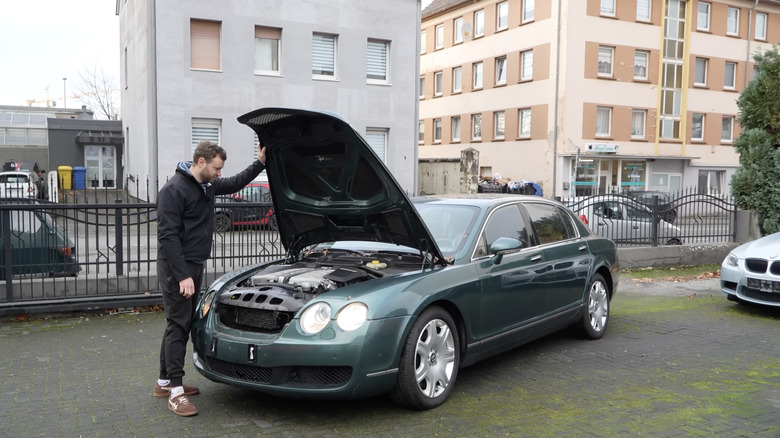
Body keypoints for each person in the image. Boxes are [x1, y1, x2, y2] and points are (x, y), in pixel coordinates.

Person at [154, 139, 267, 417]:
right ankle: (176, 394)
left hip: (192, 264)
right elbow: (167, 236)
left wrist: (260, 163)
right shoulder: (173, 190)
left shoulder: (207, 185)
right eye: (216, 168)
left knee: (177, 322)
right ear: (201, 162)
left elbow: (236, 182)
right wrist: (182, 276)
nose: (219, 173)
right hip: (176, 267)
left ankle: (165, 382)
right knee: (179, 324)